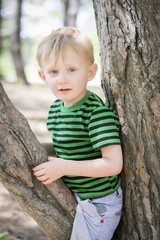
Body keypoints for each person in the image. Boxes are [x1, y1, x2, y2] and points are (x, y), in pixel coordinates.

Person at [33, 26, 123, 240]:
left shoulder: (95, 113)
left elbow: (113, 165)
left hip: (100, 202)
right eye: (54, 72)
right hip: (77, 194)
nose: (62, 79)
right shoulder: (56, 108)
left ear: (90, 72)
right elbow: (65, 144)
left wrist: (63, 166)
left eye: (72, 69)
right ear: (42, 75)